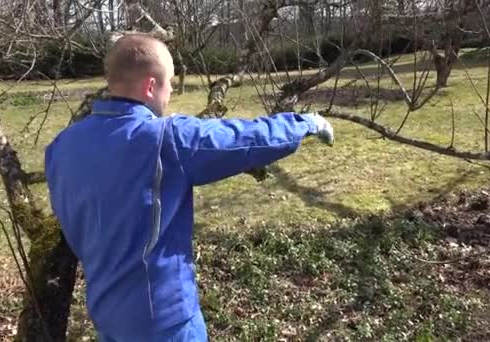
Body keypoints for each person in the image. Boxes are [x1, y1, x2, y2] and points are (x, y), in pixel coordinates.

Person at [44, 33, 334, 341]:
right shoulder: (163, 140)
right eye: (169, 82)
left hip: (107, 319)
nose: (171, 91)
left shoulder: (61, 147)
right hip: (165, 322)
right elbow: (242, 137)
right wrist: (305, 123)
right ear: (151, 86)